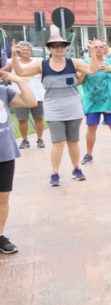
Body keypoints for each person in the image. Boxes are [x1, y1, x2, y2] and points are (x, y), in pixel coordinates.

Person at [12, 25, 95, 187]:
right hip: (53, 108)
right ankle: (55, 173)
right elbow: (20, 72)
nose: (59, 49)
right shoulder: (42, 65)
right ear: (50, 48)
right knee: (58, 142)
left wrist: (92, 52)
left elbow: (92, 69)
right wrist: (14, 55)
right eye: (55, 46)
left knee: (73, 141)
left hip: (73, 107)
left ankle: (76, 169)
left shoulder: (74, 62)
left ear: (65, 47)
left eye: (61, 46)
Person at [0, 70, 37, 254]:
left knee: (2, 198)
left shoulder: (4, 92)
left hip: (4, 154)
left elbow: (31, 102)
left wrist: (18, 80)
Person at [80, 39, 111, 164]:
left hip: (109, 101)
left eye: (101, 47)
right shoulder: (84, 63)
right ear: (90, 49)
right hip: (92, 102)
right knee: (91, 128)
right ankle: (89, 154)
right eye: (96, 47)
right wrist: (88, 69)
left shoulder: (110, 62)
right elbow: (78, 81)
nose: (99, 49)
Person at [3, 42, 46, 149]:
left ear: (31, 51)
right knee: (22, 119)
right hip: (19, 96)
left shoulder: (38, 62)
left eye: (27, 49)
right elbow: (3, 72)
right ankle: (25, 140)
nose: (25, 51)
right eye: (22, 49)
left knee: (39, 118)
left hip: (37, 95)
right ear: (19, 51)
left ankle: (40, 139)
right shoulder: (13, 62)